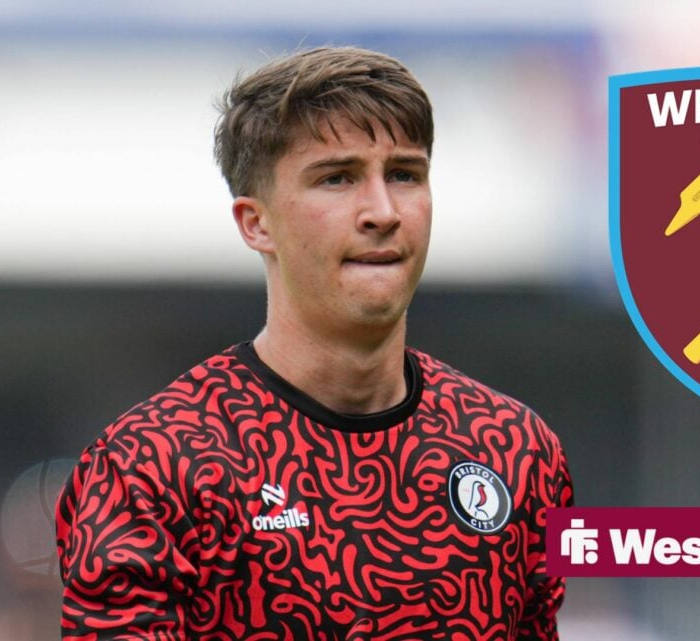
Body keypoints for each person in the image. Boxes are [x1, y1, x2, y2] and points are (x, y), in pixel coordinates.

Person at [55, 45, 574, 640]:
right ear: (257, 223)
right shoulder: (150, 468)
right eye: (337, 178)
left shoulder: (516, 450)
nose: (382, 211)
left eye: (404, 174)